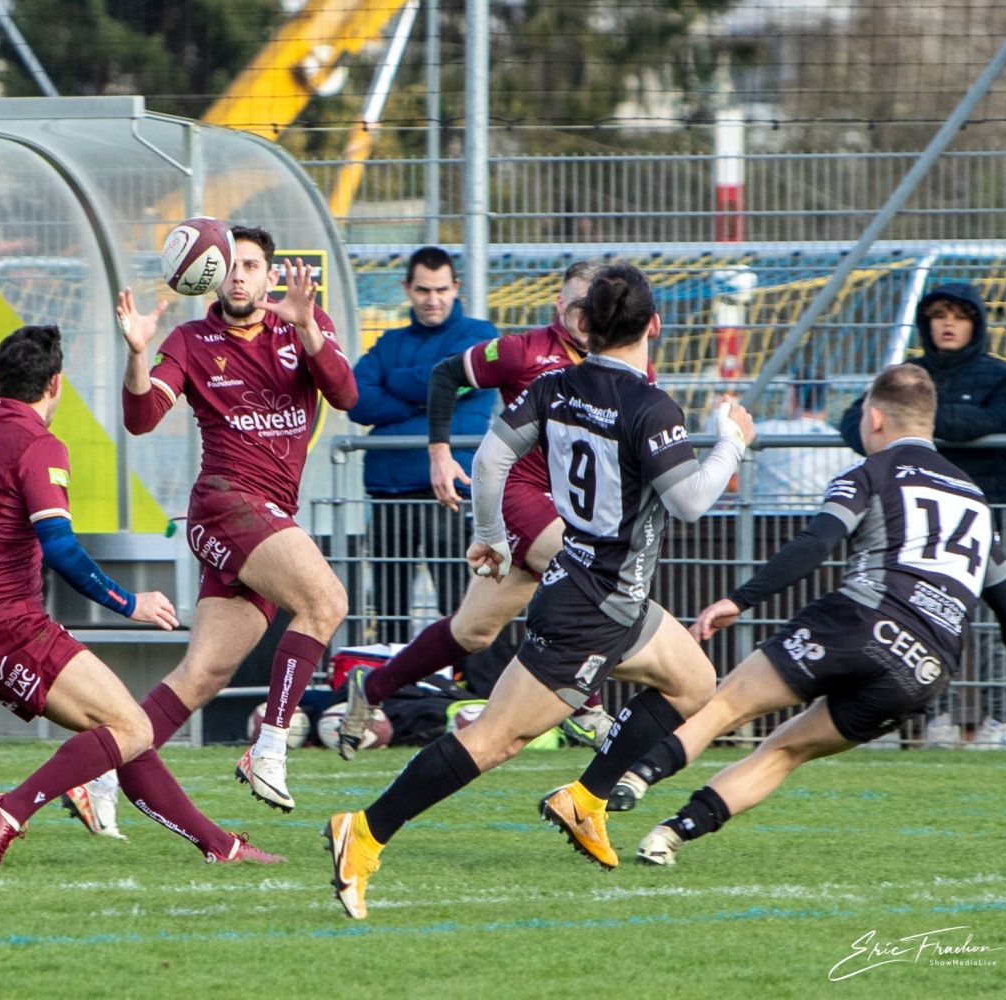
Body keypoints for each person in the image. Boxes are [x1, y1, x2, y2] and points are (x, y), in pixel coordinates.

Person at [323, 263, 755, 919]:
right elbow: (692, 501)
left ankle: (586, 799)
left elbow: (490, 457)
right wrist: (732, 442)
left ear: (585, 323)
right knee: (493, 740)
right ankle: (365, 831)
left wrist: (490, 534)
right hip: (592, 605)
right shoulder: (650, 405)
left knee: (694, 682)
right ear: (655, 326)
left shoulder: (554, 385)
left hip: (605, 591)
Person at [0, 325, 281, 869]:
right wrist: (130, 603)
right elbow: (60, 547)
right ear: (55, 383)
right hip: (12, 627)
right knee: (131, 728)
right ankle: (8, 810)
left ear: (3, 378)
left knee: (124, 732)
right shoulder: (38, 444)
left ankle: (220, 847)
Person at [626, 363, 1006, 866]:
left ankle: (632, 779)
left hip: (862, 620)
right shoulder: (976, 501)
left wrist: (740, 600)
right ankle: (667, 838)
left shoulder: (872, 472)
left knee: (727, 705)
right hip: (925, 666)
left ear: (874, 418)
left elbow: (816, 543)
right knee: (785, 751)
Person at [118, 224, 358, 812]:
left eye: (251, 266)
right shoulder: (191, 340)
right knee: (327, 602)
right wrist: (138, 354)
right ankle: (269, 748)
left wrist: (308, 328)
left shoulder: (303, 325)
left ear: (270, 276)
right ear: (211, 276)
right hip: (226, 504)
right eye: (230, 266)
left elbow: (347, 397)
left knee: (204, 674)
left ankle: (97, 775)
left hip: (267, 516)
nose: (239, 277)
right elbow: (141, 419)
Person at [339, 261, 617, 757]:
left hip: (574, 510)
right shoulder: (520, 350)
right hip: (521, 498)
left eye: (594, 307)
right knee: (582, 574)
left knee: (472, 630)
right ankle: (586, 708)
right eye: (577, 305)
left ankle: (372, 688)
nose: (585, 316)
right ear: (559, 305)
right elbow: (447, 374)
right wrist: (439, 452)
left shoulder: (619, 361)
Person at [839, 282, 1006, 749]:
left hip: (990, 514)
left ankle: (994, 718)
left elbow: (1000, 419)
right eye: (939, 315)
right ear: (926, 323)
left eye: (959, 316)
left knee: (996, 618)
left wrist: (912, 422)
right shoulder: (906, 374)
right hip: (918, 516)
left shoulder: (1002, 376)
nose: (948, 324)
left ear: (976, 324)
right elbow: (853, 421)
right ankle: (932, 717)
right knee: (925, 615)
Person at [348, 246, 497, 643]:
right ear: (407, 289)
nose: (433, 299)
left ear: (456, 287)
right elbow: (356, 399)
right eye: (423, 290)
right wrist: (427, 395)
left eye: (441, 289)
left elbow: (443, 380)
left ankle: (462, 675)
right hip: (388, 490)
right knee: (389, 607)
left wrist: (395, 383)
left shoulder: (480, 336)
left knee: (457, 604)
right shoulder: (390, 341)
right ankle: (394, 672)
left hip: (448, 491)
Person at [751, 376, 857, 512]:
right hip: (819, 517)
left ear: (792, 397)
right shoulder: (841, 441)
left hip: (767, 517)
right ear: (825, 400)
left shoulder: (766, 431)